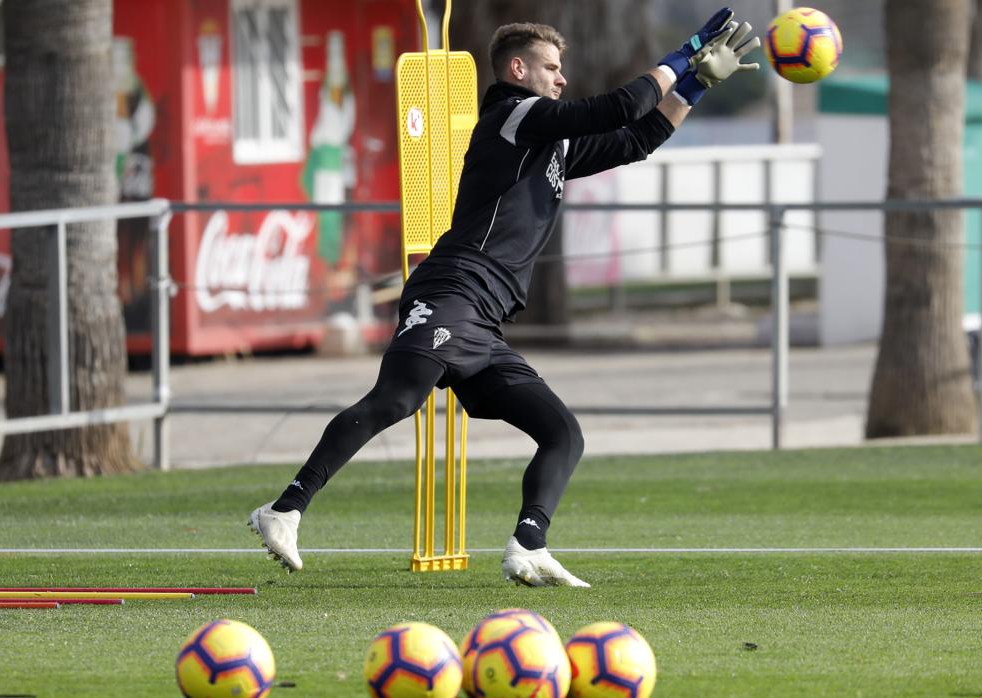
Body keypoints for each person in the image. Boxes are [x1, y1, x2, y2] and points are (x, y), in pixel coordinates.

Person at [249, 9, 761, 586]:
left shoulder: (553, 145)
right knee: (396, 399)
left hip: (485, 321)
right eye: (551, 67)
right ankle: (284, 509)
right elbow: (619, 106)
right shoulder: (511, 114)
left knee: (562, 432)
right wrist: (686, 50)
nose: (561, 78)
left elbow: (638, 137)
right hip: (451, 290)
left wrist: (696, 83)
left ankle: (528, 546)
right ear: (518, 70)